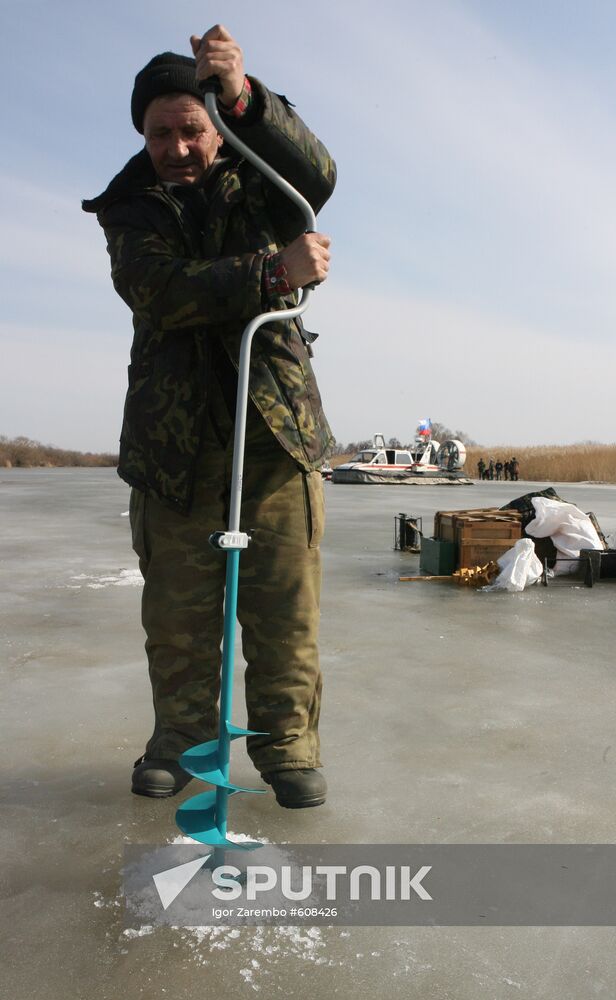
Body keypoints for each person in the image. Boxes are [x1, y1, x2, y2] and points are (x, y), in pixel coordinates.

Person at [82, 25, 336, 809]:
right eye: (161, 132)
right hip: (174, 450)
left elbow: (316, 174)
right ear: (143, 136)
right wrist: (273, 271)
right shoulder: (130, 209)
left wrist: (247, 98)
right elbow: (163, 292)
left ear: (214, 128)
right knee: (181, 622)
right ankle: (181, 745)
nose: (179, 147)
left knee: (282, 616)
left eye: (192, 128)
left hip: (273, 437)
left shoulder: (258, 177)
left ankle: (287, 751)